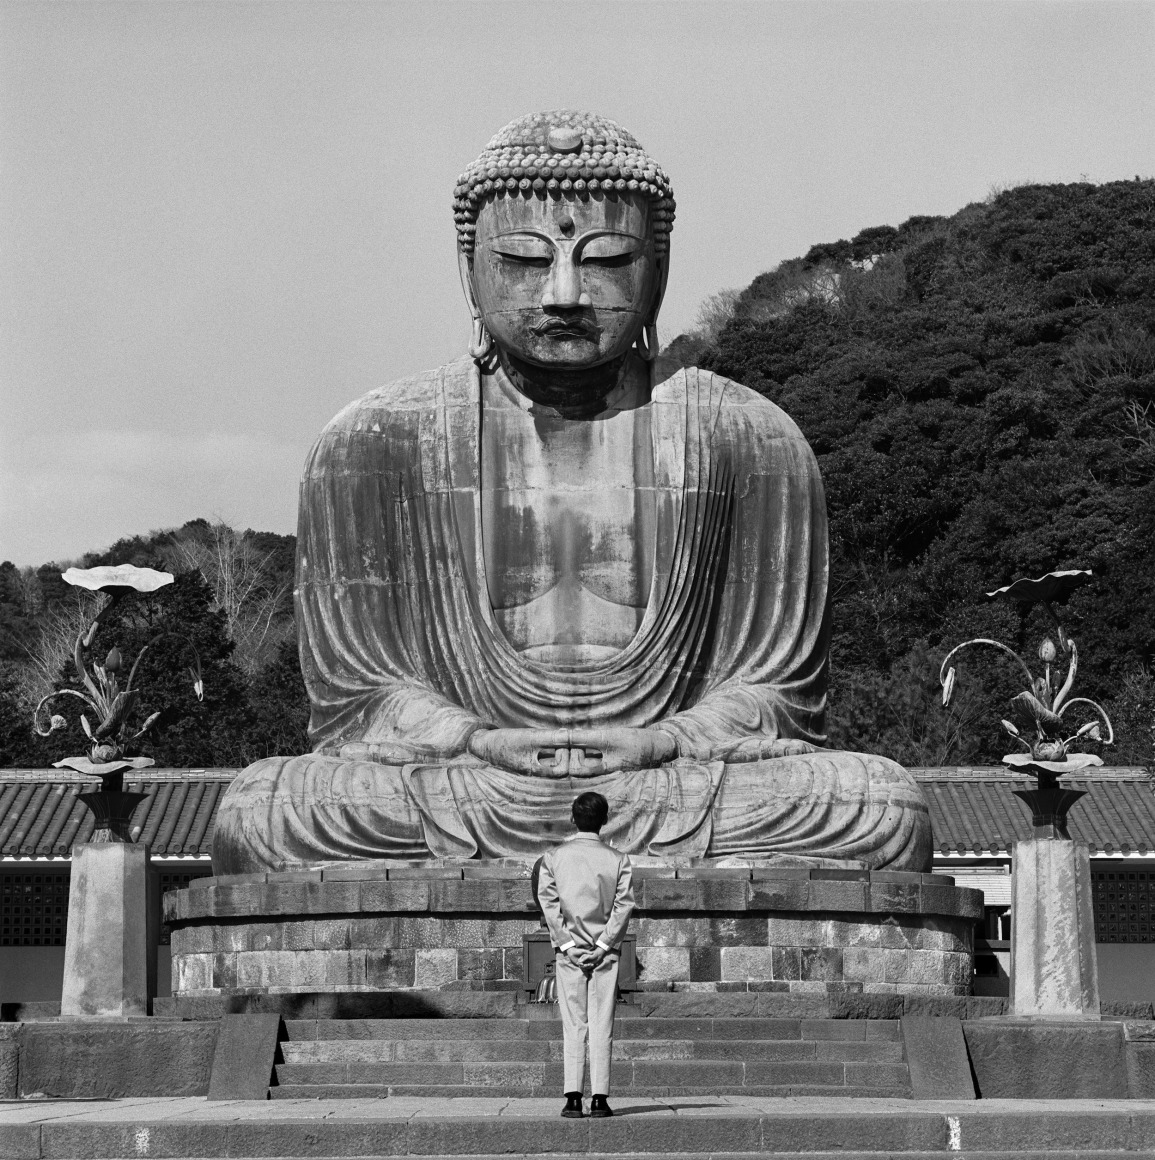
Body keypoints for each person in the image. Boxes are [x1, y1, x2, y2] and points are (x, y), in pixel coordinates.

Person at [212, 109, 932, 874]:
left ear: (655, 267)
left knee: (879, 805)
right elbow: (362, 697)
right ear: (470, 268)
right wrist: (474, 739)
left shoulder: (746, 436)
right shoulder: (376, 442)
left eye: (605, 261)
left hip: (667, 778)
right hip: (466, 779)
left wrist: (666, 740)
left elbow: (773, 690)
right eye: (522, 261)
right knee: (266, 808)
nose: (562, 294)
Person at [536, 791, 634, 1119]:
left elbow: (548, 904)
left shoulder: (554, 858)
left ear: (572, 817)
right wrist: (604, 944)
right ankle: (601, 1099)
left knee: (574, 1023)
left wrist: (566, 944)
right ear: (605, 820)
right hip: (604, 954)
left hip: (570, 953)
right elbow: (623, 906)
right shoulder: (619, 860)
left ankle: (573, 1097)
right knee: (602, 1022)